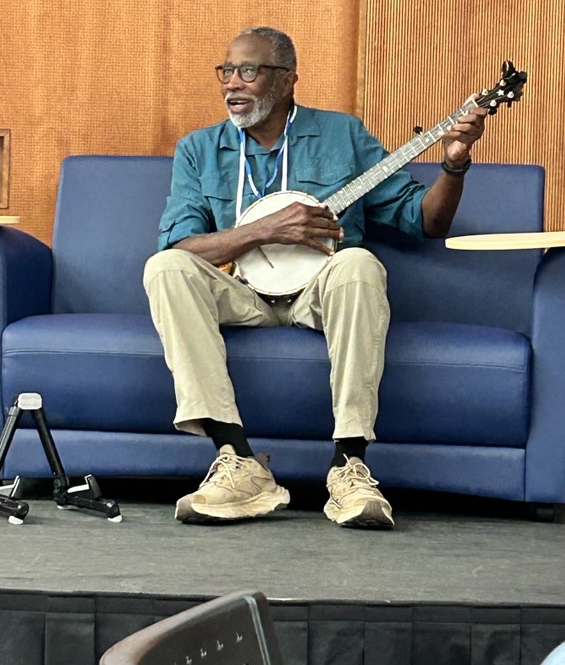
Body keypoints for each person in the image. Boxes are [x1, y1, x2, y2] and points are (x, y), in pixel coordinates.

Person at [143, 26, 488, 530]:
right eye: (227, 71)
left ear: (287, 80)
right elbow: (181, 246)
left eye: (248, 71)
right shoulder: (199, 149)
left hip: (318, 293)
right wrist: (265, 230)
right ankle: (238, 461)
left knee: (359, 263)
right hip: (243, 294)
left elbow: (425, 222)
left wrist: (454, 166)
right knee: (165, 268)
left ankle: (349, 466)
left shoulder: (342, 136)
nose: (232, 83)